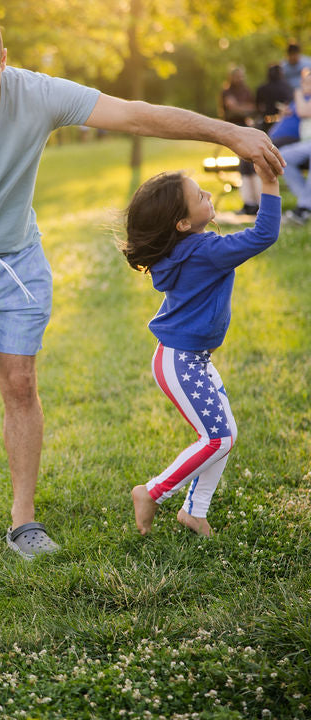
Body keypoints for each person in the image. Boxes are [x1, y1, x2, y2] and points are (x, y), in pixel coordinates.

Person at [0, 9, 284, 571]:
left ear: (4, 60)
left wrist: (228, 131)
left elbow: (136, 115)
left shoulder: (40, 94)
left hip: (18, 258)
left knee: (20, 383)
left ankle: (24, 521)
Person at [123, 168, 280, 537]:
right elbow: (264, 234)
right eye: (198, 196)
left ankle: (194, 511)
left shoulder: (181, 250)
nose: (207, 193)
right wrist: (269, 183)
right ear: (181, 223)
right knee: (217, 437)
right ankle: (152, 492)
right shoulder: (207, 250)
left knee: (225, 434)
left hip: (187, 359)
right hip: (181, 361)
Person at [219, 66, 260, 216]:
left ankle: (254, 202)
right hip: (232, 129)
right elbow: (233, 108)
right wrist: (243, 109)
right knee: (244, 164)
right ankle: (249, 202)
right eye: (238, 76)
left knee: (249, 163)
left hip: (246, 129)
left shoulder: (246, 91)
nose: (240, 79)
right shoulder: (227, 91)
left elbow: (252, 108)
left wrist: (240, 108)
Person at [281, 68, 311, 224]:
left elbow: (304, 112)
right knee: (283, 157)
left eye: (308, 82)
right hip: (305, 144)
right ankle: (305, 204)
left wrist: (298, 93)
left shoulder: (302, 98)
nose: (305, 85)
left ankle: (304, 208)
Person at [255, 63, 293, 134]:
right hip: (282, 120)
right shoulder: (287, 88)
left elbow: (259, 106)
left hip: (267, 120)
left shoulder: (262, 88)